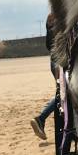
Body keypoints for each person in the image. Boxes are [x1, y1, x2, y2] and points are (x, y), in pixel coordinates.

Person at [30, 12, 58, 140]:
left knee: (64, 93)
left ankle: (41, 119)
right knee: (65, 93)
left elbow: (48, 45)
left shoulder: (50, 17)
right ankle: (41, 119)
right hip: (61, 61)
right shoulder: (62, 15)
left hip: (54, 59)